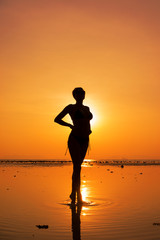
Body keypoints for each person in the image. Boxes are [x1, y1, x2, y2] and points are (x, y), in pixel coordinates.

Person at [54, 87, 93, 204]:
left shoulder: (87, 108)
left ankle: (73, 193)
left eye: (83, 93)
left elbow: (88, 122)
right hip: (74, 139)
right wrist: (69, 126)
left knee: (78, 167)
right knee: (77, 167)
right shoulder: (70, 107)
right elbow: (57, 119)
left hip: (85, 139)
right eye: (79, 93)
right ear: (74, 96)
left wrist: (89, 130)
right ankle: (78, 196)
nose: (81, 95)